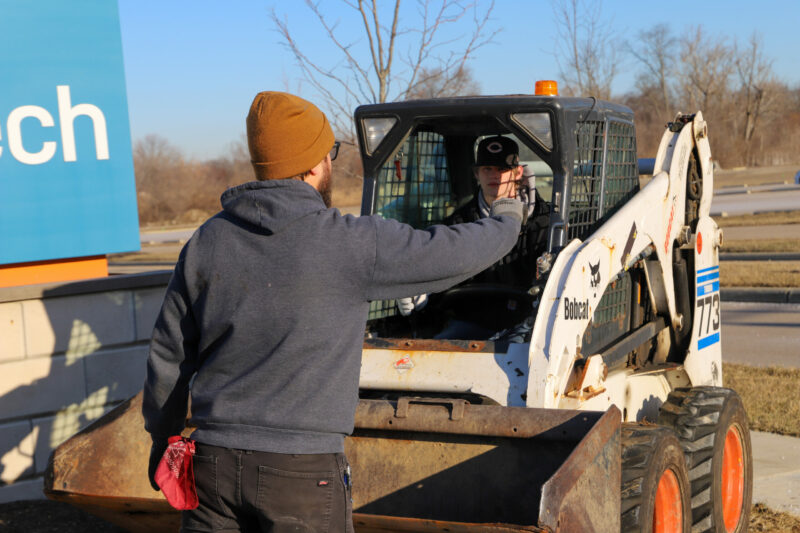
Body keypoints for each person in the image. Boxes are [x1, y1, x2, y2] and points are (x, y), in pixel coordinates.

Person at [142, 91, 525, 532]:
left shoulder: (207, 241)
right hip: (300, 475)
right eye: (330, 153)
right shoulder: (351, 243)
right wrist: (507, 215)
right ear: (313, 163)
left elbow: (168, 354)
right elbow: (455, 251)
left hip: (210, 465)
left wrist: (163, 437)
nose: (330, 163)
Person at [398, 136, 549, 340]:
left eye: (502, 169)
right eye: (487, 168)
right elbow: (437, 263)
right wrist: (419, 288)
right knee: (435, 351)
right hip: (469, 323)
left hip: (524, 325)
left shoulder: (543, 223)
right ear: (476, 173)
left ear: (517, 172)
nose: (494, 175)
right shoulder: (458, 223)